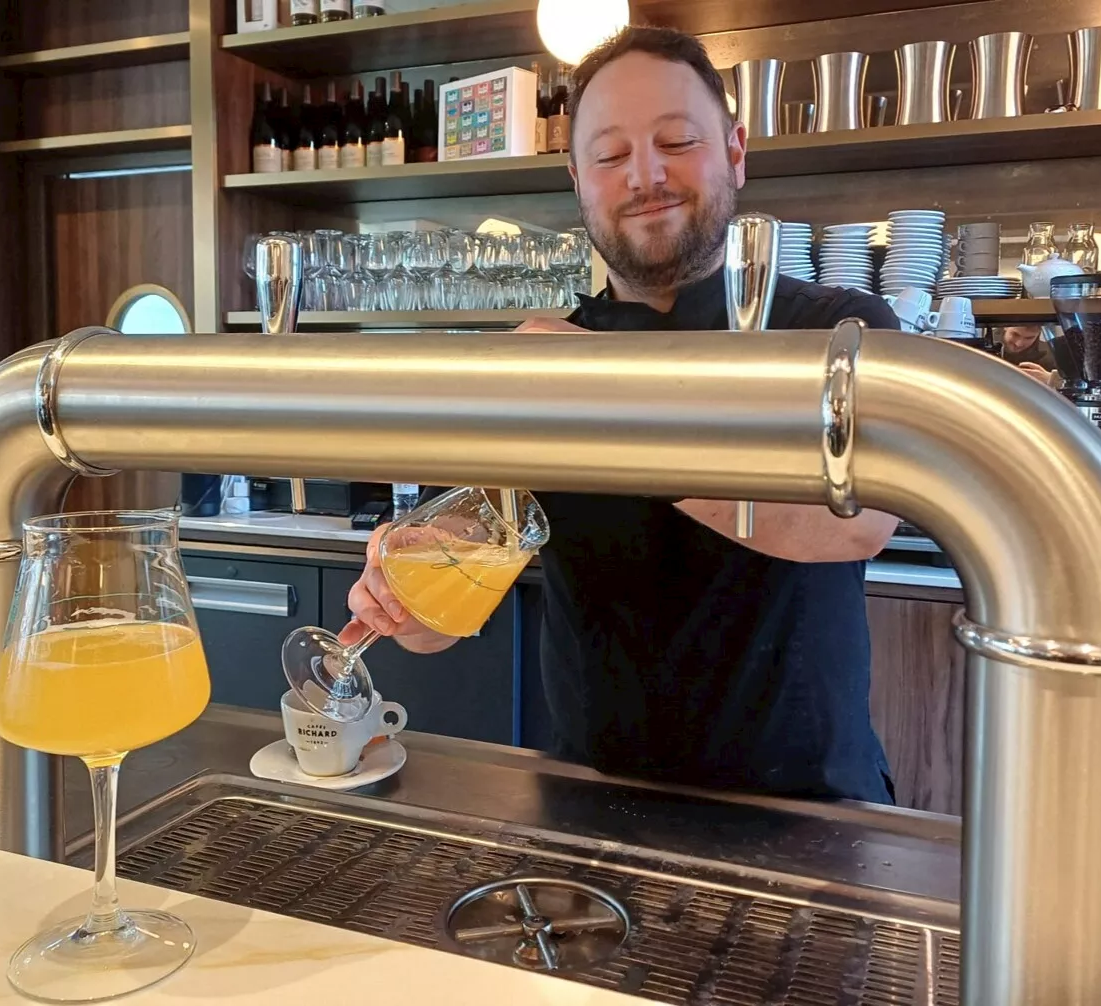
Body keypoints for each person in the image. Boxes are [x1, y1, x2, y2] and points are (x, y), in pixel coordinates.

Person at [342, 25, 902, 803]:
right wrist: (411, 590)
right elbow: (464, 578)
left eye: (677, 140)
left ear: (736, 152)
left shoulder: (836, 326)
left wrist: (595, 408)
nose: (646, 174)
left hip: (811, 810)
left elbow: (858, 521)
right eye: (610, 156)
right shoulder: (554, 358)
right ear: (577, 180)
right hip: (590, 800)